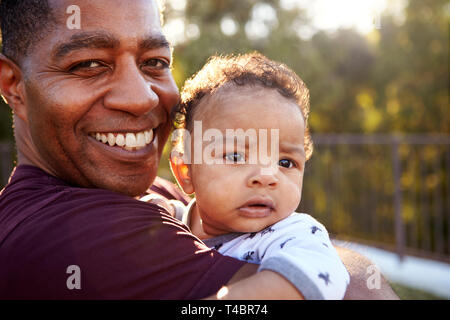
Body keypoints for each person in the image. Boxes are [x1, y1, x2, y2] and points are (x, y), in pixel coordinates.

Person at [0, 0, 398, 300]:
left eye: (154, 61)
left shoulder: (169, 199)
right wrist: (340, 261)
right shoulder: (71, 237)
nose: (140, 98)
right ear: (13, 85)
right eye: (89, 64)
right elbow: (358, 292)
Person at [164, 53, 349, 300]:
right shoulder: (169, 221)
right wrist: (163, 210)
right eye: (236, 157)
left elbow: (305, 283)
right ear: (186, 171)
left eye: (285, 162)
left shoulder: (294, 234)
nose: (266, 177)